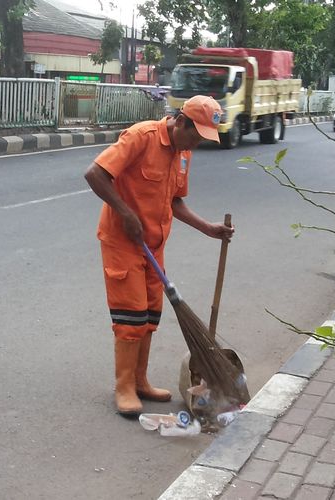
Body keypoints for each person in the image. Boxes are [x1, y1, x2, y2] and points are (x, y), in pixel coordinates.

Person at [84, 95, 234, 416]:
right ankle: (123, 387)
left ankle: (139, 380)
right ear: (181, 121)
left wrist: (207, 228)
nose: (195, 145)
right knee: (131, 316)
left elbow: (175, 202)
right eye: (195, 136)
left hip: (153, 245)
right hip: (123, 240)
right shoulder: (141, 137)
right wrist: (124, 212)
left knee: (151, 315)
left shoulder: (183, 154)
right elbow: (95, 174)